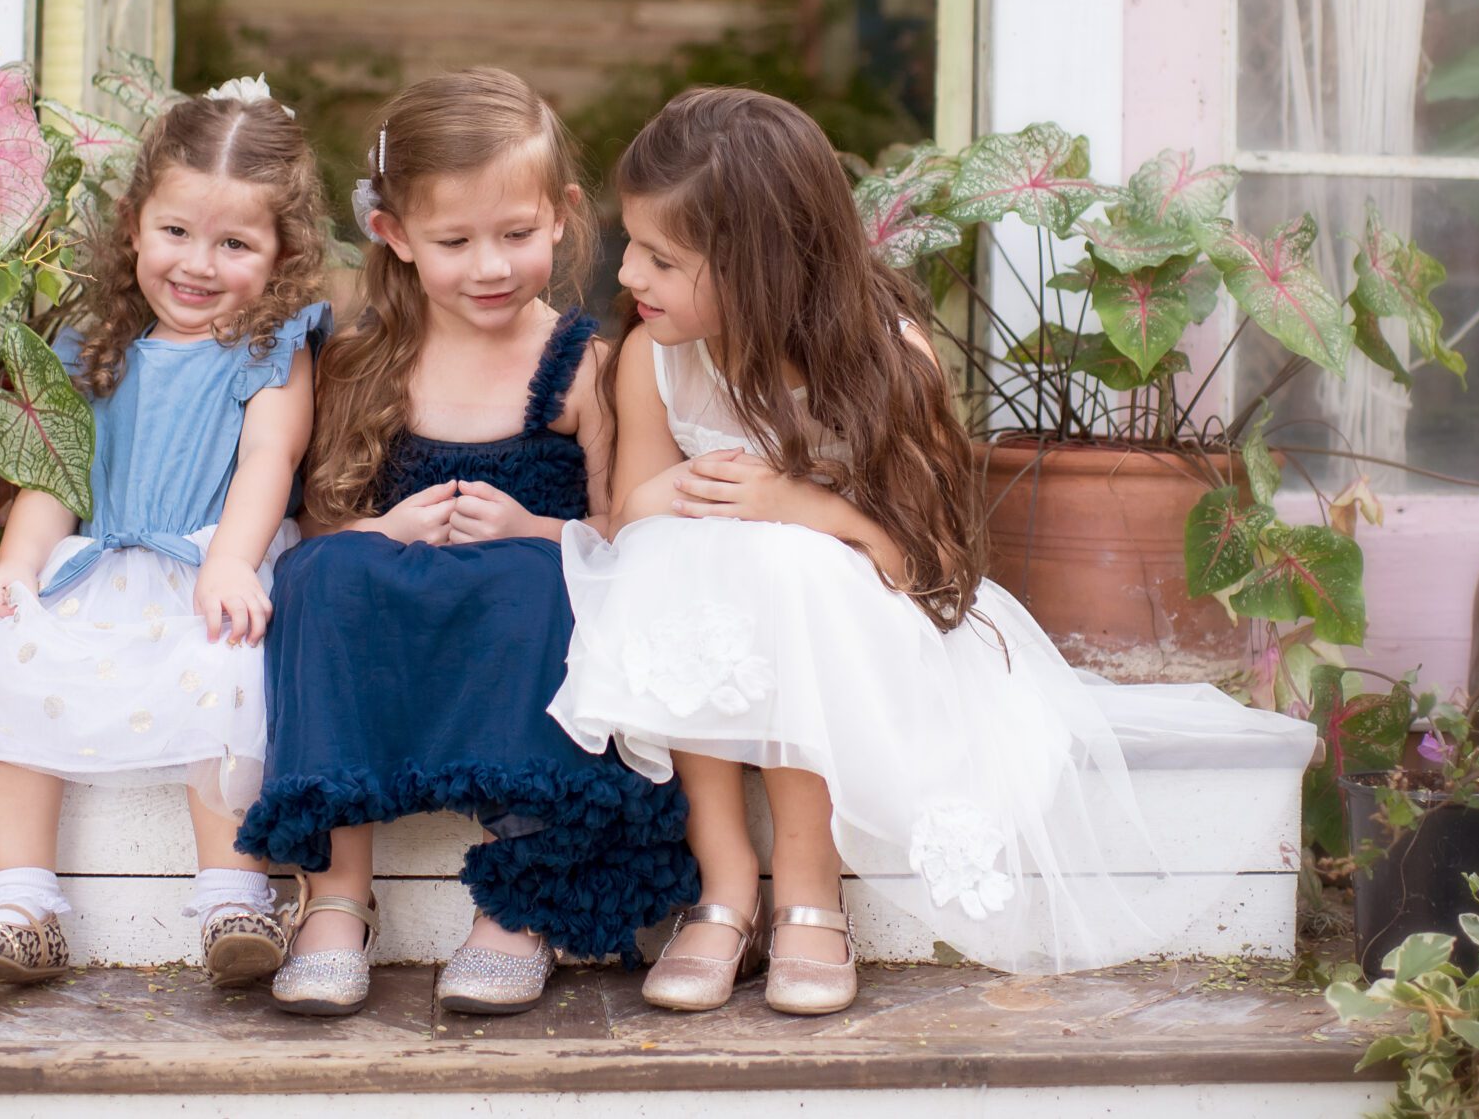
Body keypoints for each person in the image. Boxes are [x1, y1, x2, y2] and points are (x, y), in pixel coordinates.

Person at [551, 87, 1167, 1015]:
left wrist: (796, 502)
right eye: (632, 243)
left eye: (662, 257)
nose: (630, 271)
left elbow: (928, 563)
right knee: (673, 553)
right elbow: (629, 515)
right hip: (704, 623)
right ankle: (724, 882)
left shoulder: (885, 360)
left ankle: (809, 882)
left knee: (785, 561)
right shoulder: (654, 357)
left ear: (757, 267)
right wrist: (667, 498)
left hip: (864, 632)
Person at [240, 68, 694, 1019]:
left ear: (565, 215)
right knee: (320, 573)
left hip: (517, 619)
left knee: (543, 582)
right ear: (394, 235)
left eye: (516, 235)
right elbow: (324, 517)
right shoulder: (368, 357)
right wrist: (386, 529)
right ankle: (335, 897)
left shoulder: (582, 363)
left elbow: (623, 529)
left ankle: (518, 903)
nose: (490, 265)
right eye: (454, 241)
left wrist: (535, 527)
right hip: (402, 604)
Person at [0, 88, 331, 990]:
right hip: (100, 568)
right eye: (176, 232)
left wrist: (231, 561)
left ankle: (232, 898)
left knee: (231, 664)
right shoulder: (95, 348)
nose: (198, 265)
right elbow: (60, 479)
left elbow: (267, 463)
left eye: (236, 244)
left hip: (211, 564)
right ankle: (18, 907)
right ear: (134, 225)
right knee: (2, 660)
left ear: (283, 255)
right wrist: (16, 566)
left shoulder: (268, 348)